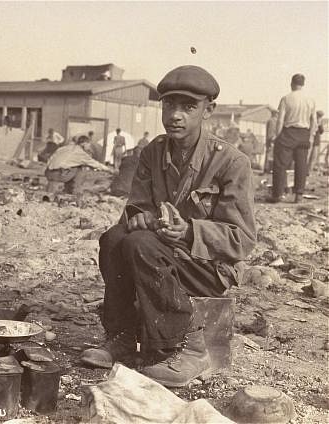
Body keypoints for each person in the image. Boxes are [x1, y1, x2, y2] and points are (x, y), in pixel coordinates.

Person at [80, 65, 256, 387]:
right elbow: (136, 208)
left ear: (208, 111)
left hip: (208, 268)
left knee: (139, 245)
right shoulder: (154, 152)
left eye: (188, 107)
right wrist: (142, 217)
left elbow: (242, 240)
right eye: (169, 105)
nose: (175, 115)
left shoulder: (231, 162)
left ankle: (188, 349)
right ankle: (122, 335)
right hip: (160, 256)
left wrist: (190, 231)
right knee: (113, 238)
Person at [269, 74, 317, 203]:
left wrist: (277, 136)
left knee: (280, 164)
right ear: (303, 84)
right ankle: (299, 194)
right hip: (304, 133)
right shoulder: (310, 100)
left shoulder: (286, 98)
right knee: (301, 165)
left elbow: (280, 120)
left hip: (288, 132)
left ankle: (277, 195)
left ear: (291, 83)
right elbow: (313, 121)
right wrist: (311, 136)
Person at [45, 135, 112, 194]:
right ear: (84, 144)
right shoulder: (81, 153)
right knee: (81, 168)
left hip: (48, 173)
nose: (89, 147)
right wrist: (109, 170)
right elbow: (95, 164)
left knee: (71, 166)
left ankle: (65, 189)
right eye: (89, 144)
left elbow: (50, 159)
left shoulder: (64, 148)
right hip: (60, 175)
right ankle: (75, 191)